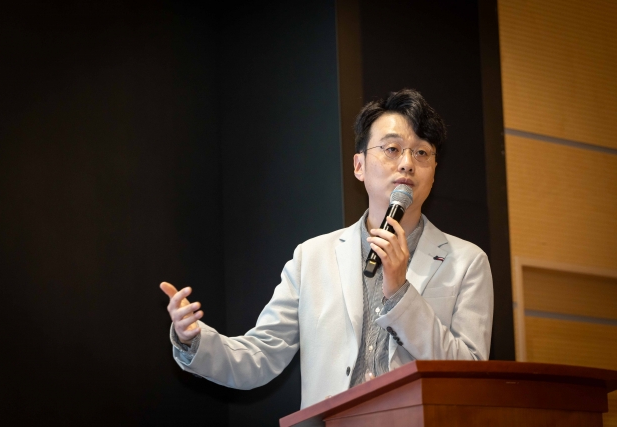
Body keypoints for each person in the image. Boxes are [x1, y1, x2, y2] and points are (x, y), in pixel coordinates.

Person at [160, 88, 493, 409]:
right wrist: (193, 339)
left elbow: (469, 374)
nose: (407, 163)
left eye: (421, 153)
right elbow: (261, 356)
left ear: (433, 171)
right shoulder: (312, 258)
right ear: (359, 165)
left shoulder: (466, 262)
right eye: (392, 149)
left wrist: (402, 293)